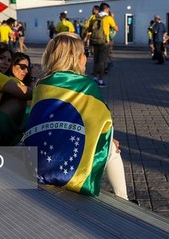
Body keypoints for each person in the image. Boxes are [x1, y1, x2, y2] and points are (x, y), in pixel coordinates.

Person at [23, 32, 129, 200]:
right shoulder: (87, 85)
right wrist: (108, 140)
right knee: (112, 150)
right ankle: (124, 199)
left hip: (37, 163)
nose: (86, 58)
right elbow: (101, 122)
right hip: (69, 167)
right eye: (85, 53)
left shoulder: (41, 84)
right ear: (77, 57)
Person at [86, 2, 118, 87]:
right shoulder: (108, 18)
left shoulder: (93, 17)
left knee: (95, 60)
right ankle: (100, 80)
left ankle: (94, 78)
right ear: (106, 9)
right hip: (104, 42)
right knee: (102, 62)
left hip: (94, 41)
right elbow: (116, 28)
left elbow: (89, 29)